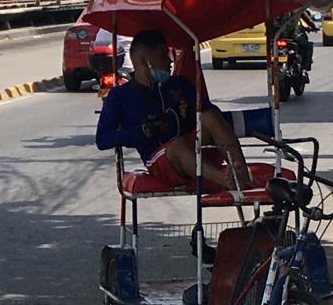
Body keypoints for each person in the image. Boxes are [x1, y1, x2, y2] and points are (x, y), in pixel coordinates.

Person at [96, 29, 253, 192]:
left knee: (210, 115)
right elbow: (103, 139)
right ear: (145, 62)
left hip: (195, 151)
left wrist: (191, 113)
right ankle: (228, 182)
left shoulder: (179, 84)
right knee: (177, 145)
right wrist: (143, 131)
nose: (169, 61)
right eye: (163, 55)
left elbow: (207, 112)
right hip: (160, 162)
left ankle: (240, 172)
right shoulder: (120, 95)